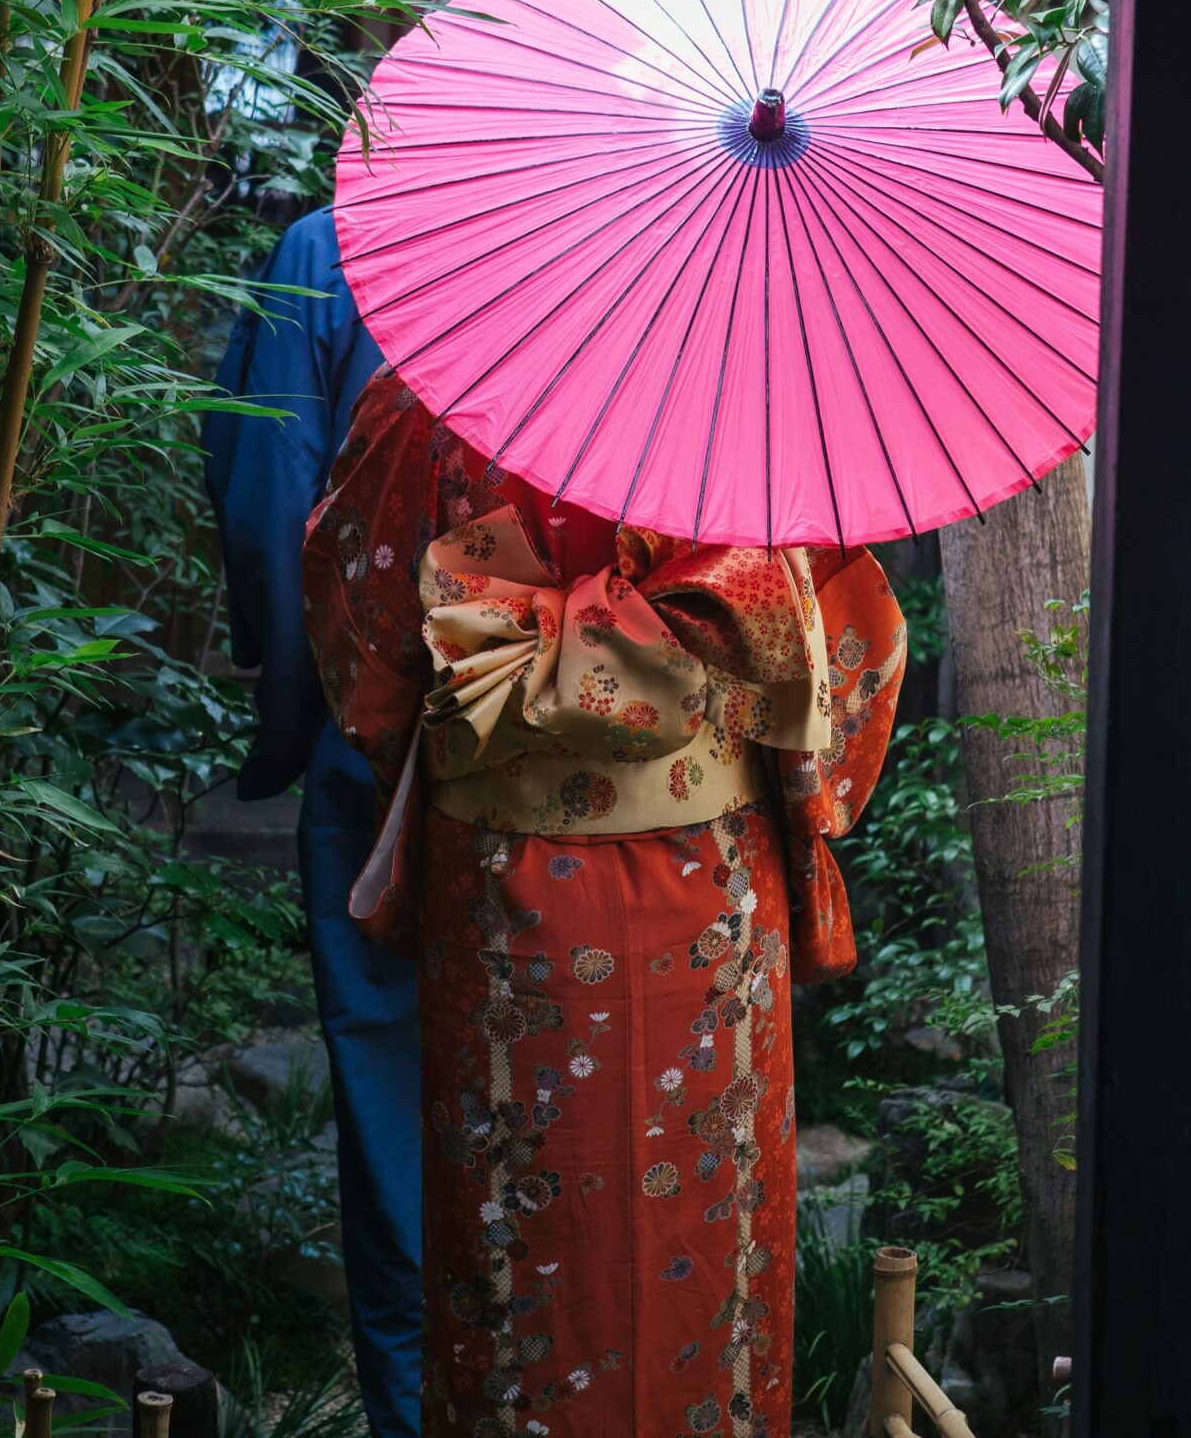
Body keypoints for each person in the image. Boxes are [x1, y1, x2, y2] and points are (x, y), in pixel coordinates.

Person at [303, 368, 905, 1437]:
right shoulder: (758, 407)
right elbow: (839, 663)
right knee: (700, 1264)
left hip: (502, 886)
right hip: (710, 887)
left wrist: (513, 693)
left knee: (515, 1248)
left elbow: (365, 645)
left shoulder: (431, 394)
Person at [201, 0, 519, 1438]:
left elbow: (269, 502)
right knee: (558, 1092)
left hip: (381, 731)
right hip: (585, 758)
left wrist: (301, 696)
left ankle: (416, 1411)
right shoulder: (612, 272)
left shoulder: (331, 252)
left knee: (394, 1099)